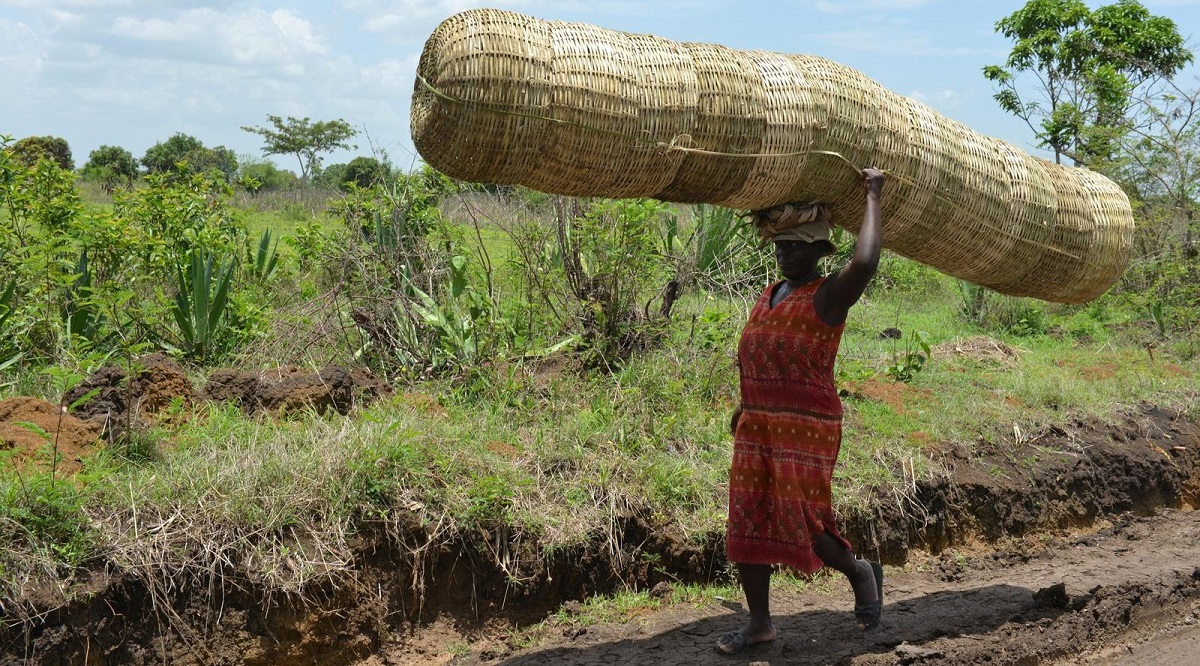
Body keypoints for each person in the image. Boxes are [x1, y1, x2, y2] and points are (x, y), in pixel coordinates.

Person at [716, 167, 885, 655]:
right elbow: (762, 355)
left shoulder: (828, 296)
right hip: (757, 427)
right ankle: (759, 625)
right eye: (780, 244)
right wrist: (745, 406)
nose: (785, 252)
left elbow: (866, 262)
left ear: (819, 251)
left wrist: (872, 195)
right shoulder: (768, 295)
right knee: (748, 517)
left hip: (806, 429)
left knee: (804, 520)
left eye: (795, 245)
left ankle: (860, 572)